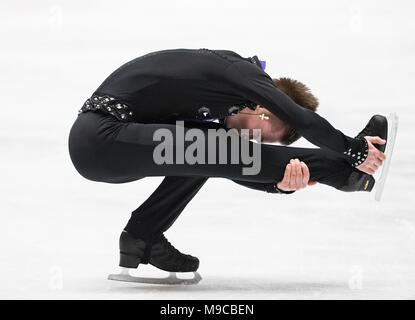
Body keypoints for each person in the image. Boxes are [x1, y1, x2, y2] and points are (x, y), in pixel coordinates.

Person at [68, 48, 387, 277]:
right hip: (100, 137)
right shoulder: (241, 75)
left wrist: (279, 185)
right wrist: (354, 149)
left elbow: (229, 168)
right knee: (217, 148)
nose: (255, 142)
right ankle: (346, 174)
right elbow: (299, 120)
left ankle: (143, 236)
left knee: (210, 152)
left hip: (108, 142)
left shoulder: (217, 110)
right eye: (265, 134)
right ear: (265, 107)